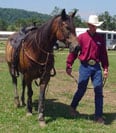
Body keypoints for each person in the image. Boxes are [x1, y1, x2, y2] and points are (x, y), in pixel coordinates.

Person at [66, 15, 109, 124]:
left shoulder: (100, 39)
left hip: (96, 68)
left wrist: (105, 68)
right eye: (93, 26)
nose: (94, 27)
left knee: (99, 91)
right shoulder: (81, 38)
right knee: (81, 89)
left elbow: (103, 54)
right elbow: (74, 52)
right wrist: (69, 64)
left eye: (96, 26)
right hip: (85, 67)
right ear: (89, 25)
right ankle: (72, 107)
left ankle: (98, 116)